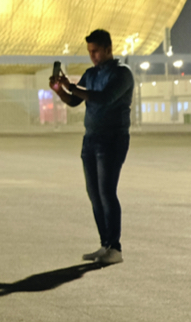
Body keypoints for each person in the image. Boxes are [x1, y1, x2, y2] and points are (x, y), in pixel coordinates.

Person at [50, 29, 134, 265]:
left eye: (96, 51)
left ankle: (115, 248)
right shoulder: (91, 73)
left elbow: (103, 98)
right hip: (91, 139)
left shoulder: (122, 74)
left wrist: (72, 86)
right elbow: (76, 101)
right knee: (94, 193)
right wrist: (59, 89)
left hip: (113, 140)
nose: (93, 56)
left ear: (108, 48)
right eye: (90, 52)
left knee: (107, 192)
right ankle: (105, 244)